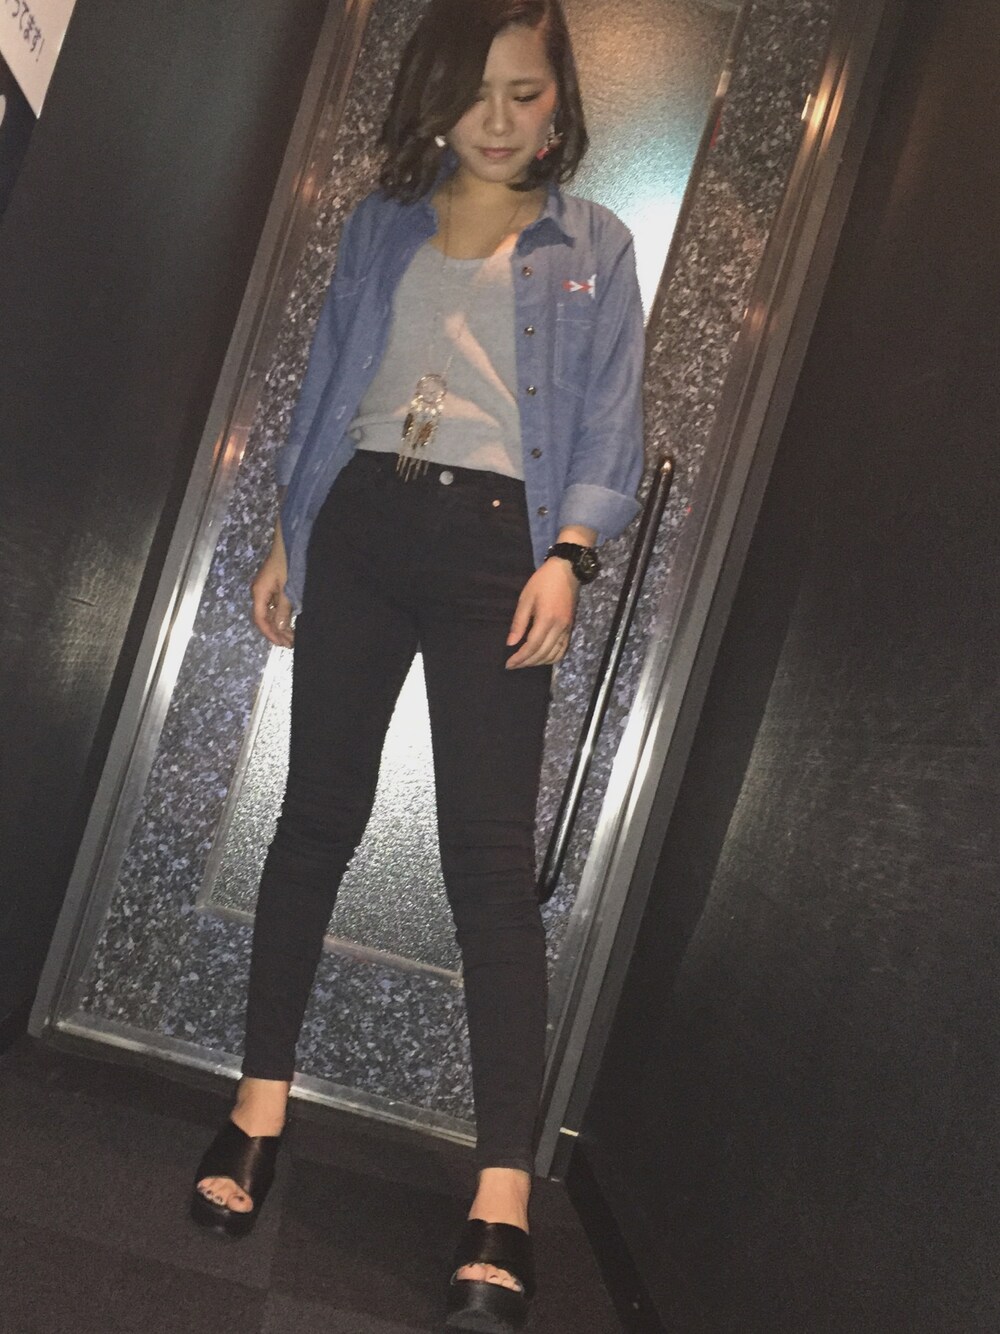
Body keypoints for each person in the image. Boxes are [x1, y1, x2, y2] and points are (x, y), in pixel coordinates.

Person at [189, 0, 644, 1327]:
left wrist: (571, 555)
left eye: (526, 94)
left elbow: (610, 417)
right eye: (474, 93)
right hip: (363, 522)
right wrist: (292, 532)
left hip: (502, 549)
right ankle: (256, 1111)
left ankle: (502, 1196)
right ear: (434, 98)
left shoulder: (593, 246)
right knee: (315, 816)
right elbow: (330, 380)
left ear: (560, 103)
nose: (499, 121)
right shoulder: (382, 222)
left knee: (489, 865)